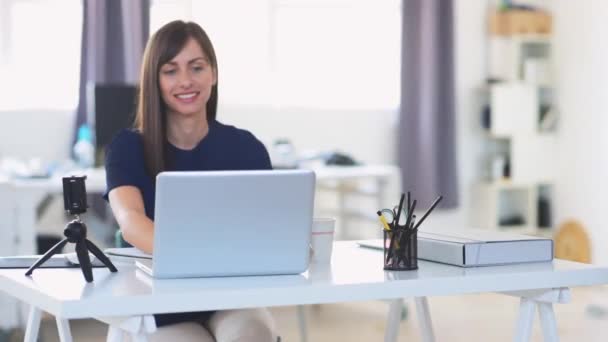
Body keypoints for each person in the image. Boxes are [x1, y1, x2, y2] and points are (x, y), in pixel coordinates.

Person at [104, 20, 277, 342]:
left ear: (214, 73)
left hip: (229, 293)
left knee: (253, 332)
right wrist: (198, 261)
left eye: (196, 67)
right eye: (170, 70)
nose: (185, 81)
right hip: (157, 297)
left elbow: (264, 228)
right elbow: (131, 222)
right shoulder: (127, 147)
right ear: (154, 80)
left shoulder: (246, 147)